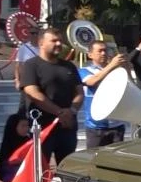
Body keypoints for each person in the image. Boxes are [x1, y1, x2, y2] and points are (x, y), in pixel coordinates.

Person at [19, 28, 84, 164]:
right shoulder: (31, 65)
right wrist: (59, 112)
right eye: (54, 41)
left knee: (67, 169)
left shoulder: (69, 66)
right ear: (41, 43)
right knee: (40, 170)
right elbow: (32, 92)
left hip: (67, 127)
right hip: (43, 127)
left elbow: (79, 92)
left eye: (60, 41)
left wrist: (71, 111)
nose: (59, 44)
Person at [79, 40, 129, 148]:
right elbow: (92, 82)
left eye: (105, 50)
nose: (103, 53)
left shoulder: (116, 69)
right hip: (96, 127)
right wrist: (111, 65)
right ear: (90, 55)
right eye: (100, 51)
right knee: (94, 160)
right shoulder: (84, 71)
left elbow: (129, 86)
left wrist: (126, 67)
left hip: (117, 125)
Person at [14, 25, 40, 113]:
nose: (34, 35)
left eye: (36, 33)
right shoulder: (24, 48)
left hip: (39, 78)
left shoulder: (43, 47)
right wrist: (17, 80)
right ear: (29, 34)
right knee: (23, 103)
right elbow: (18, 64)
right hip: (26, 79)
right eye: (32, 33)